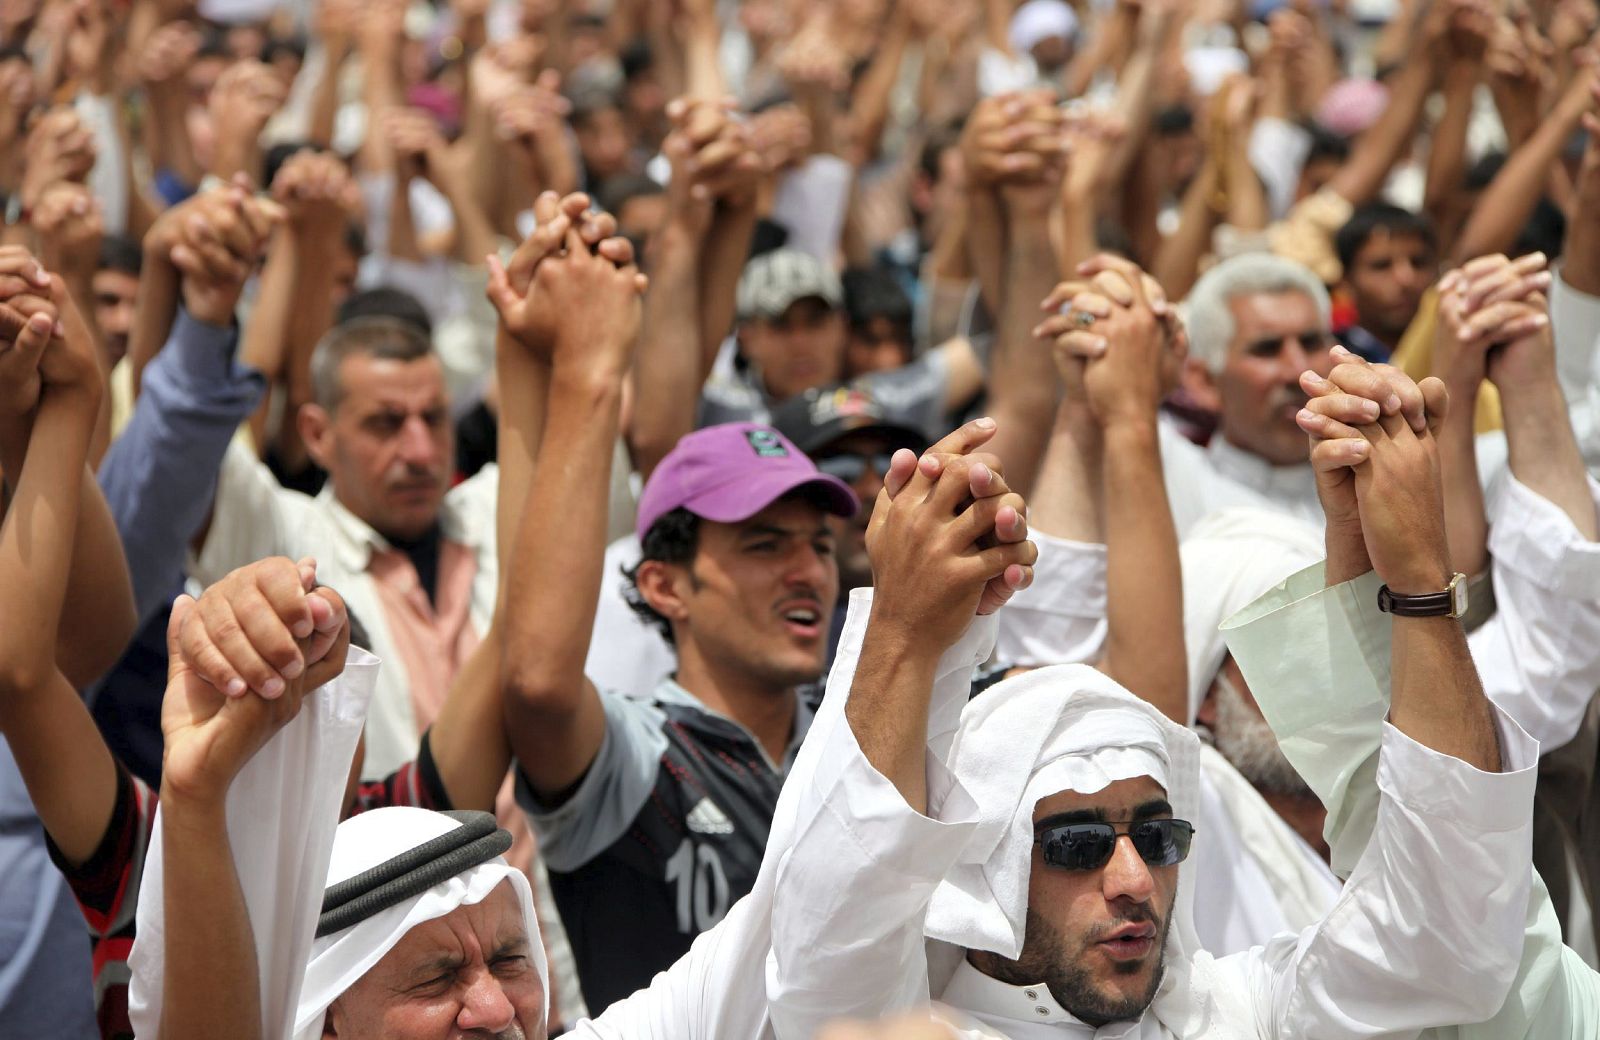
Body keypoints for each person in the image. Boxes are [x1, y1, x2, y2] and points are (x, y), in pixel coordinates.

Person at [763, 267, 1539, 1039]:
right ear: (985, 868)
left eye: (1161, 837)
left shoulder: (1231, 1013)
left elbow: (1448, 953)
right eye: (1078, 844)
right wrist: (901, 631)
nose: (1135, 881)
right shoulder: (905, 1029)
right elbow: (834, 924)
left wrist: (1416, 587)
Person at [1333, 203, 1439, 362]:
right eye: (1382, 266)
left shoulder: (1458, 349)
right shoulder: (1328, 358)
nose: (1406, 279)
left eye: (1418, 262)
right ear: (1346, 282)